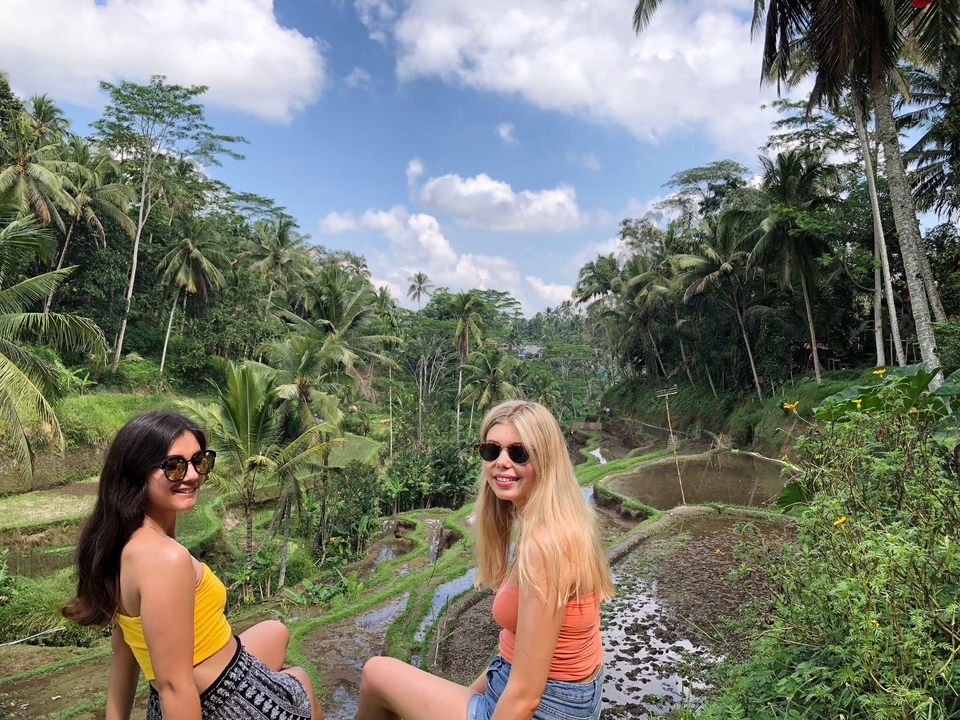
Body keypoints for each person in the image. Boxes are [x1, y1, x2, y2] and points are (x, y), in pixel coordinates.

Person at [357, 399, 615, 720]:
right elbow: (514, 648)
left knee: (375, 673)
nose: (502, 462)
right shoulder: (552, 522)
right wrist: (468, 693)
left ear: (547, 460)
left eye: (518, 453)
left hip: (546, 707)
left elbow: (525, 697)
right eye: (492, 451)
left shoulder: (547, 545)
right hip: (530, 691)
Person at [63, 410, 322, 720]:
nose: (191, 475)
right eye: (173, 466)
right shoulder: (165, 559)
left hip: (187, 691)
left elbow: (125, 651)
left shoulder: (121, 545)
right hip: (228, 704)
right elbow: (174, 686)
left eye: (200, 461)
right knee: (300, 685)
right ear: (136, 473)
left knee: (276, 630)